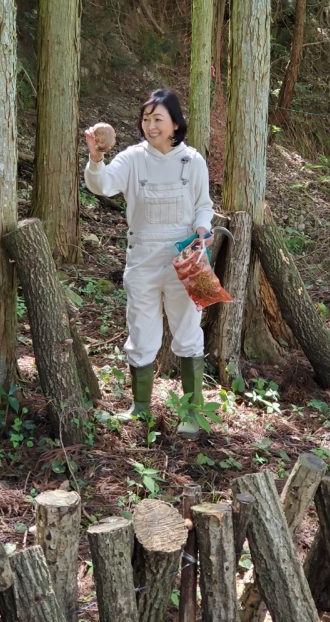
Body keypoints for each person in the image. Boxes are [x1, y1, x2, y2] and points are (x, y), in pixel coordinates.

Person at [84, 88, 214, 437]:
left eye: (158, 119)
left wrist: (204, 227)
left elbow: (204, 204)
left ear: (175, 123)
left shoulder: (193, 161)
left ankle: (192, 411)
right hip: (141, 258)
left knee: (188, 332)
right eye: (146, 119)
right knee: (142, 333)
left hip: (187, 257)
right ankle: (139, 409)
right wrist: (96, 158)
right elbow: (103, 185)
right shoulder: (132, 158)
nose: (151, 126)